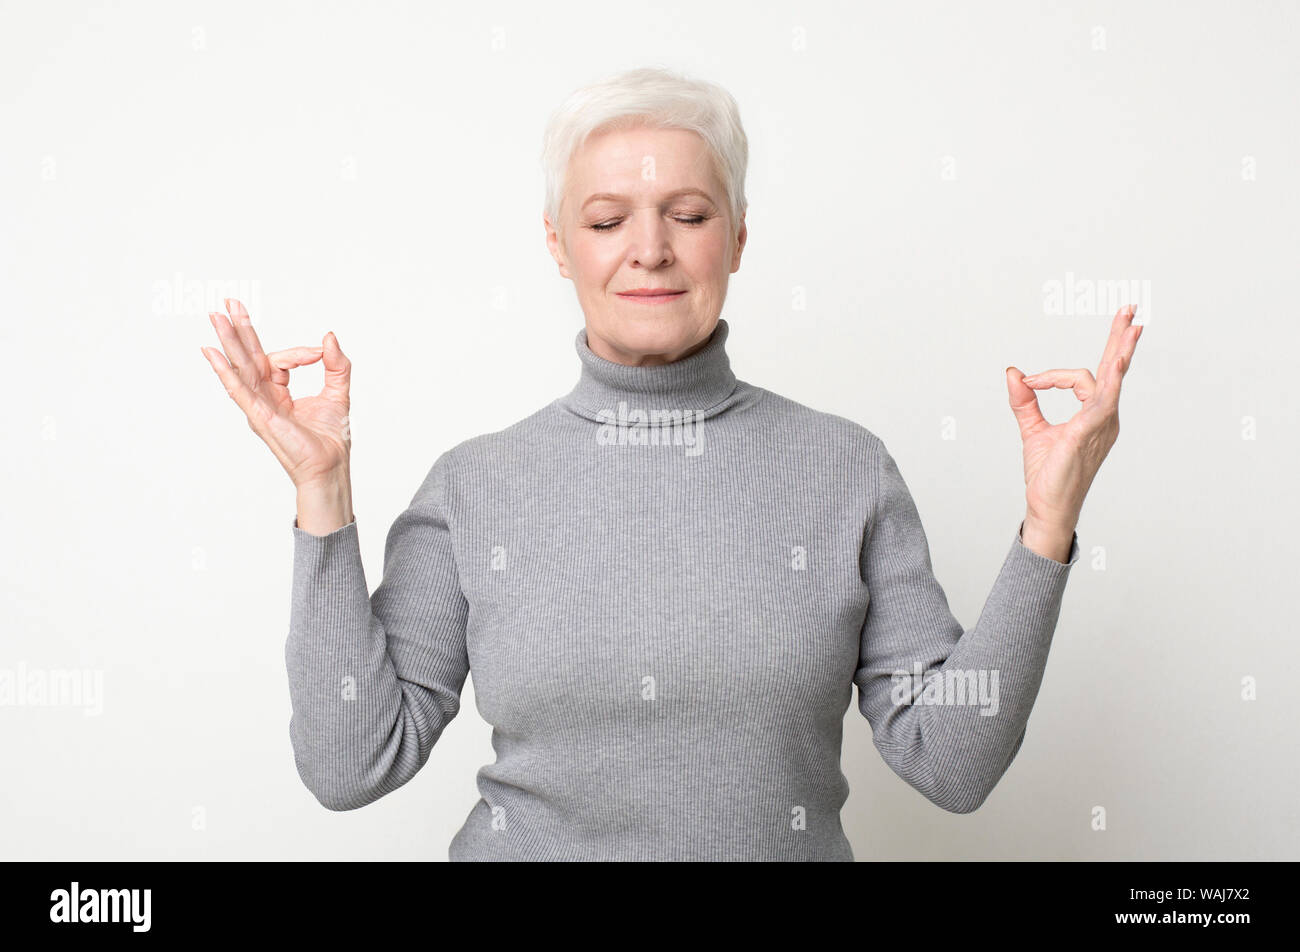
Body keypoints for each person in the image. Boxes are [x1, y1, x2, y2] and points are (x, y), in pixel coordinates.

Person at [200, 66, 1141, 861]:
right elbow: (350, 763)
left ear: (736, 235)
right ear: (557, 246)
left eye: (687, 214)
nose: (649, 251)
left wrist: (1046, 529)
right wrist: (321, 493)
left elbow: (954, 762)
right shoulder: (474, 487)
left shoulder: (844, 469)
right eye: (607, 220)